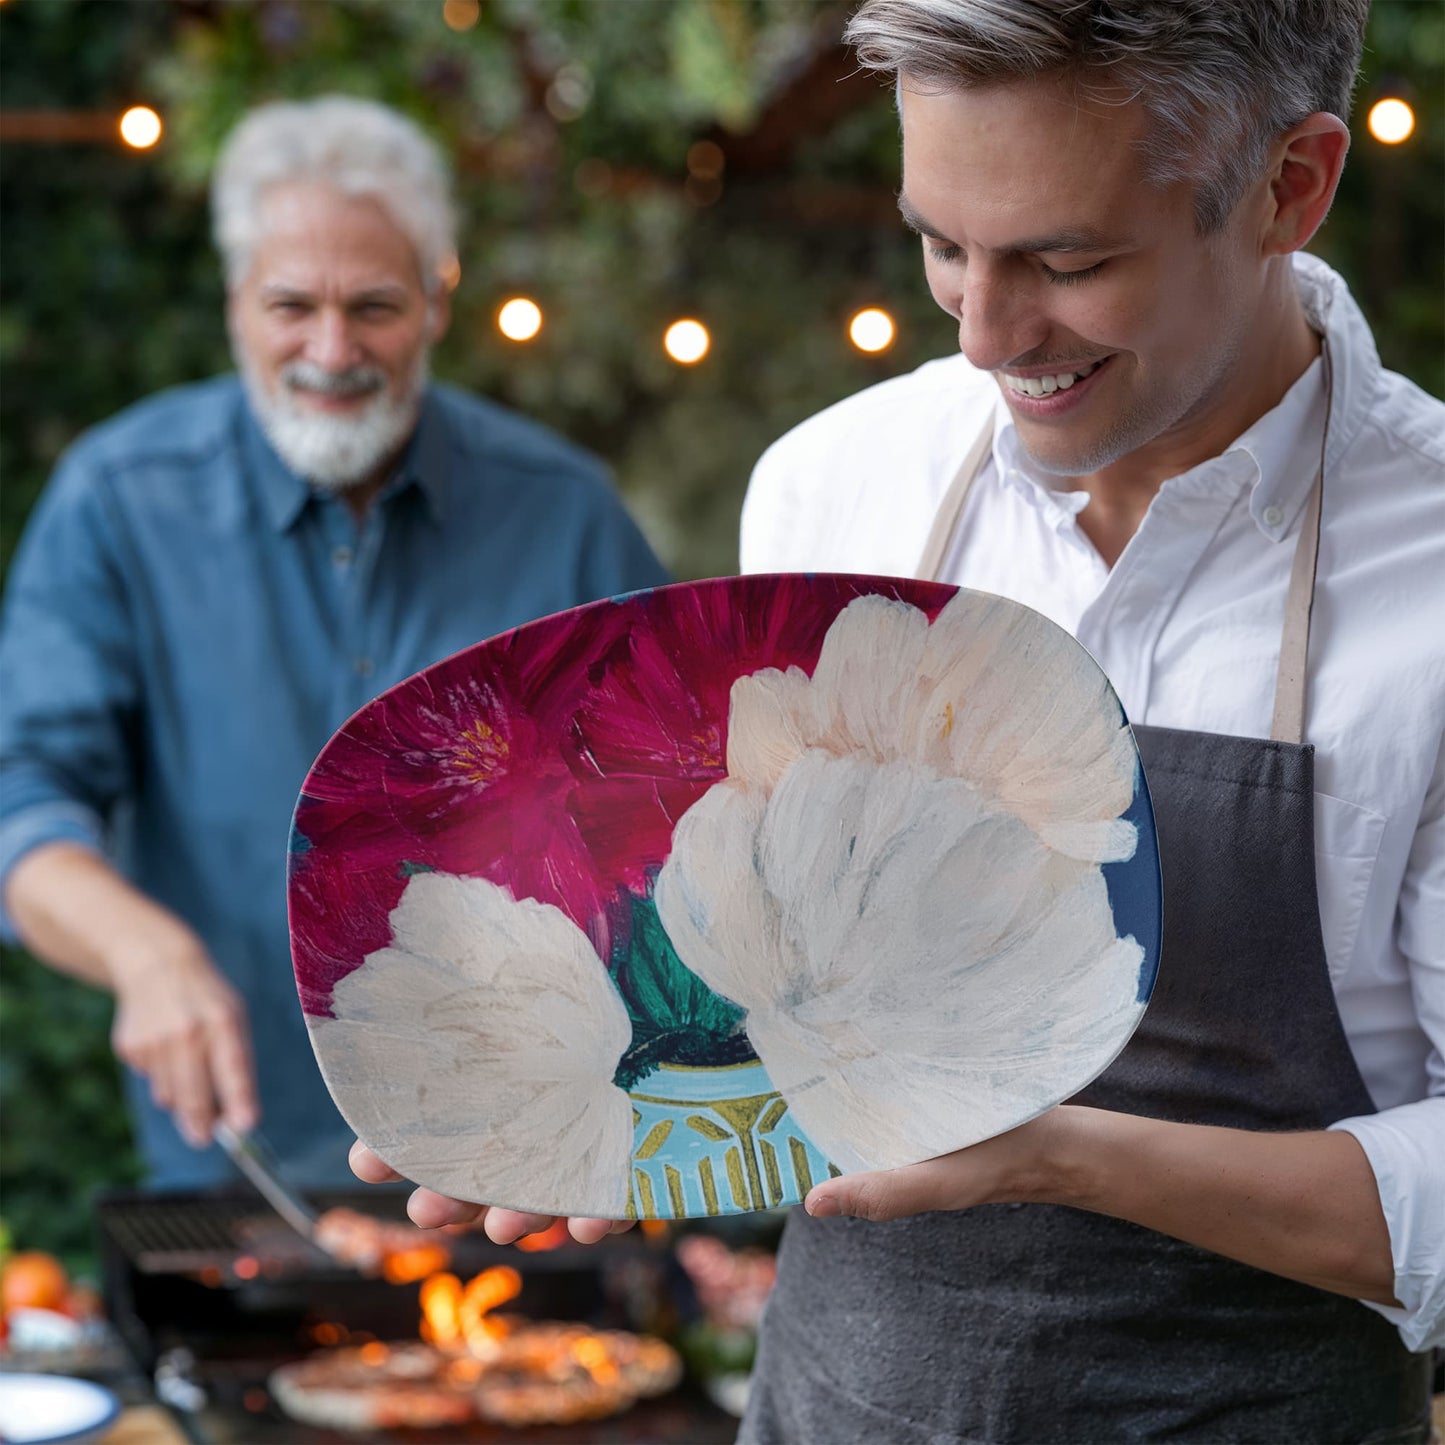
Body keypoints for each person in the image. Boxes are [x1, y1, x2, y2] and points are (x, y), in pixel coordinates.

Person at [352, 1, 1444, 1439]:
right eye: (940, 243)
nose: (988, 335)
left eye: (1068, 260)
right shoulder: (835, 484)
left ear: (1290, 187)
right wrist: (622, 1101)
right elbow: (764, 998)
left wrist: (1058, 1157)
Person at [0, 96, 668, 1192]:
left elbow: (674, 805)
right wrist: (142, 951)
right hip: (234, 1171)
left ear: (439, 299)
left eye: (373, 306)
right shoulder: (118, 500)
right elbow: (23, 803)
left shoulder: (565, 513)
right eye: (289, 305)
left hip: (524, 1164)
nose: (331, 348)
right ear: (233, 303)